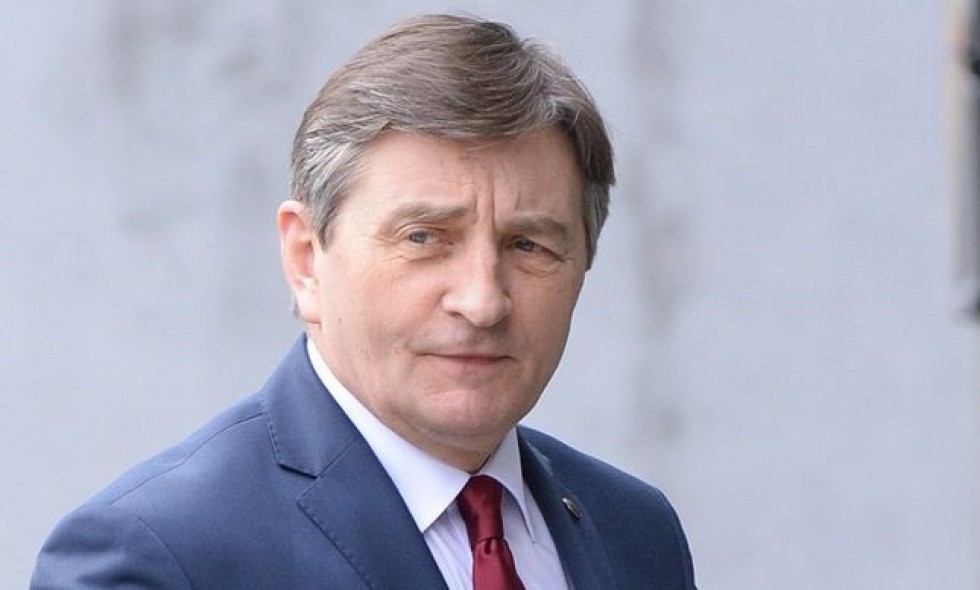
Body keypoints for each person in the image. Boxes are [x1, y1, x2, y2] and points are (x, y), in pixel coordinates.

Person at [31, 14, 696, 590]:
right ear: (306, 259)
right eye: (424, 238)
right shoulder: (158, 556)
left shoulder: (634, 531)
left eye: (528, 245)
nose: (482, 301)